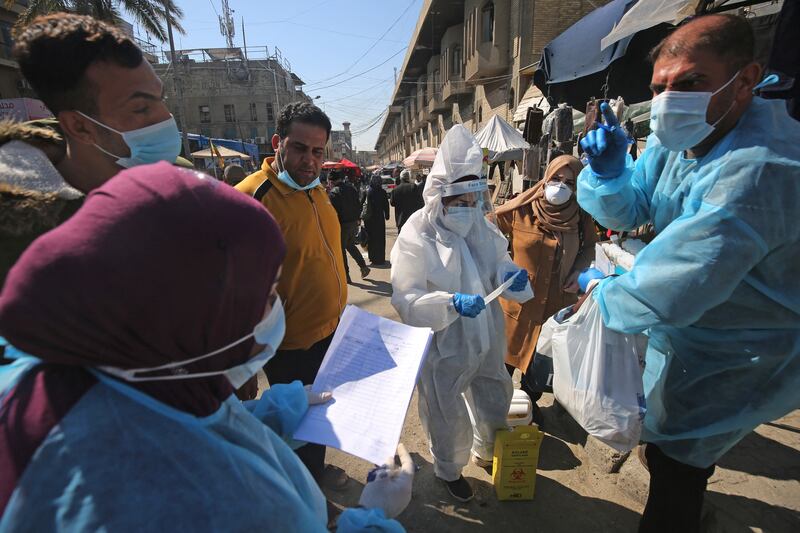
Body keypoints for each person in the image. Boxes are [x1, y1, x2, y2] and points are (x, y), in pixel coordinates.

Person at [0, 163, 412, 532]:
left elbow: (187, 420)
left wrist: (280, 411)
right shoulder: (223, 503)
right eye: (267, 292)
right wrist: (373, 515)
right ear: (197, 316)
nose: (274, 308)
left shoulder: (122, 365)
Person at [577, 14, 800, 533]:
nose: (669, 100)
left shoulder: (762, 166)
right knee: (668, 450)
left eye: (689, 83)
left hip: (743, 347)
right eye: (659, 87)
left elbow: (673, 289)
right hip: (694, 334)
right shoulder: (683, 134)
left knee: (680, 465)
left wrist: (603, 292)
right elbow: (635, 208)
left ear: (746, 78)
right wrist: (609, 175)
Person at [390, 125, 533, 502]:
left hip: (486, 331)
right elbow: (405, 298)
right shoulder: (416, 233)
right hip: (444, 338)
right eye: (462, 201)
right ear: (440, 196)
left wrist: (510, 276)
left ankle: (488, 449)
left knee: (494, 392)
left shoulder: (480, 228)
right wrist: (449, 304)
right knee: (445, 405)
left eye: (475, 199)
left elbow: (497, 261)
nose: (470, 209)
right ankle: (449, 468)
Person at [235, 102, 347, 485]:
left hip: (329, 334)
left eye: (318, 151)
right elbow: (233, 288)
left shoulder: (317, 191)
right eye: (300, 148)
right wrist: (243, 363)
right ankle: (309, 501)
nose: (309, 161)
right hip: (289, 347)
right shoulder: (253, 198)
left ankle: (315, 471)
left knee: (318, 419)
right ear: (278, 143)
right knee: (295, 426)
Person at [12, 14, 181, 194]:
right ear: (79, 127)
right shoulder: (35, 218)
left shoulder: (182, 180)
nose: (166, 117)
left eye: (161, 99)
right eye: (140, 108)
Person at [495, 155, 597, 403]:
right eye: (556, 178)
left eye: (570, 182)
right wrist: (503, 268)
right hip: (518, 307)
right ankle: (496, 416)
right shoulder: (521, 209)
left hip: (555, 306)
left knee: (539, 373)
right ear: (546, 178)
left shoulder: (581, 216)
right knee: (500, 373)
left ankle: (527, 411)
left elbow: (589, 248)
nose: (561, 186)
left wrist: (579, 271)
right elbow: (487, 233)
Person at [328, 170, 370, 283]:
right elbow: (358, 203)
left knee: (341, 250)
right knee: (350, 246)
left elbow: (332, 212)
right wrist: (357, 219)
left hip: (342, 225)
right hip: (353, 223)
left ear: (331, 181)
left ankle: (345, 275)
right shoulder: (351, 188)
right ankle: (363, 267)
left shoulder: (333, 192)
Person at [363, 174, 390, 266]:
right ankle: (380, 258)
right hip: (379, 219)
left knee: (371, 238)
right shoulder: (382, 192)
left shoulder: (367, 191)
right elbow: (386, 205)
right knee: (380, 238)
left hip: (369, 219)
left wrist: (359, 217)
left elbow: (362, 204)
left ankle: (372, 257)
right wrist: (387, 215)